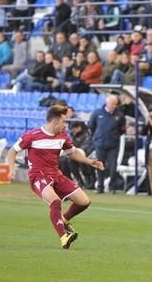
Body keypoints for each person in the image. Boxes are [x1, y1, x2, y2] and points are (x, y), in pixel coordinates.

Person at [7, 105, 105, 249]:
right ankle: (64, 237)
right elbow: (11, 151)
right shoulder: (32, 135)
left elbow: (73, 153)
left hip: (56, 175)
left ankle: (63, 219)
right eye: (64, 122)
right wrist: (11, 169)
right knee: (55, 201)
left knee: (84, 202)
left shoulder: (63, 137)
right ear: (55, 121)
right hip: (38, 176)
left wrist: (90, 162)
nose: (66, 125)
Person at [88, 94, 126, 194]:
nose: (114, 106)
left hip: (113, 144)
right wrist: (97, 137)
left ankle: (112, 186)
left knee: (113, 166)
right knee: (100, 165)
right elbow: (91, 126)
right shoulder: (97, 113)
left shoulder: (120, 115)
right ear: (107, 103)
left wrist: (115, 136)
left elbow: (122, 129)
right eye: (112, 103)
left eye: (115, 104)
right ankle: (100, 187)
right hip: (100, 144)